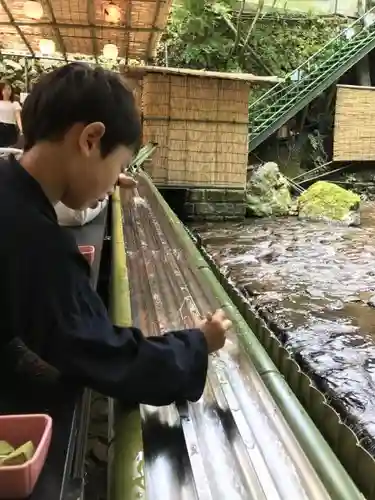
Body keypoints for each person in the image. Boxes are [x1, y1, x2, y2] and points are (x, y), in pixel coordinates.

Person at [0, 63, 231, 406]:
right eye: (120, 166)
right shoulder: (36, 241)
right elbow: (105, 355)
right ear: (90, 140)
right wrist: (198, 343)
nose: (115, 182)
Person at [0, 81, 22, 147]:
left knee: (10, 148)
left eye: (9, 89)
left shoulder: (15, 104)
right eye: (4, 89)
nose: (7, 91)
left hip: (10, 128)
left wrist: (21, 129)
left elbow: (18, 118)